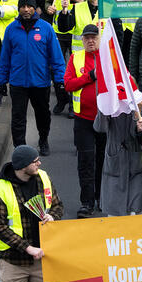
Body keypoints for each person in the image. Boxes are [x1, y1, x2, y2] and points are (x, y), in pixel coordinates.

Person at [0, 0, 67, 154]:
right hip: (18, 83)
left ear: (35, 8)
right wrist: (1, 80)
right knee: (18, 117)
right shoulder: (11, 29)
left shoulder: (46, 28)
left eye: (29, 6)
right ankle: (20, 148)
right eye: (23, 6)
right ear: (19, 8)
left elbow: (56, 57)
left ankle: (43, 140)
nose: (26, 9)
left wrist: (60, 80)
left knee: (43, 116)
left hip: (40, 82)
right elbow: (5, 57)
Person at [0, 145, 62, 282]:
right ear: (23, 166)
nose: (39, 163)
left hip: (42, 257)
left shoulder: (43, 178)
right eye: (35, 161)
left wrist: (53, 216)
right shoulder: (1, 189)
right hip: (13, 261)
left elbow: (58, 205)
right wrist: (28, 248)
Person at [62, 24, 106, 217]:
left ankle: (102, 198)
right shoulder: (75, 57)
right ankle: (86, 202)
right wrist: (89, 76)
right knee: (86, 161)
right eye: (87, 38)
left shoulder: (108, 58)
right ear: (82, 40)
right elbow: (68, 84)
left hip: (106, 120)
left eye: (93, 37)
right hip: (83, 120)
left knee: (104, 161)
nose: (90, 41)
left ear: (99, 39)